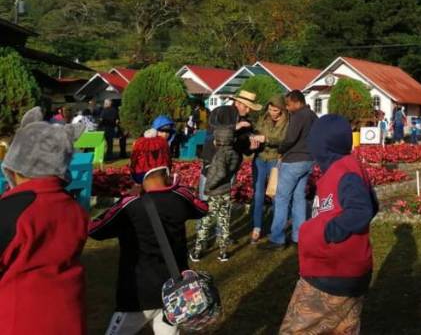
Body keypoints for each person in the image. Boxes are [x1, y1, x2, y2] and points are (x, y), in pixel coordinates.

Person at [90, 134, 208, 334]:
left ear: (136, 170)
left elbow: (95, 229)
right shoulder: (181, 197)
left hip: (138, 293)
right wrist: (176, 186)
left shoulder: (130, 206)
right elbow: (202, 208)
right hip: (175, 291)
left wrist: (126, 198)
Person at [279, 115, 378, 334]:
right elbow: (372, 204)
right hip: (350, 270)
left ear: (323, 146)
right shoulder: (344, 168)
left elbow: (362, 210)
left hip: (332, 270)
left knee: (296, 330)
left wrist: (325, 232)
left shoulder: (345, 173)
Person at [0, 107, 88, 335]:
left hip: (18, 321)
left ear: (15, 166)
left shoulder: (13, 209)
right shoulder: (75, 209)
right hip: (69, 317)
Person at [192, 90, 260, 262]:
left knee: (224, 206)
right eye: (247, 107)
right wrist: (235, 127)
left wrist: (251, 147)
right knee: (205, 202)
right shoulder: (222, 112)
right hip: (212, 164)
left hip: (230, 167)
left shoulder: (246, 123)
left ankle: (221, 237)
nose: (248, 111)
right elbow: (214, 131)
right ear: (238, 103)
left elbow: (243, 148)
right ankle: (202, 238)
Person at [265, 90, 318, 250]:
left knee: (281, 199)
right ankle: (298, 237)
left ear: (296, 102)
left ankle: (277, 238)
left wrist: (280, 149)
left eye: (288, 105)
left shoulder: (298, 116)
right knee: (299, 198)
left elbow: (290, 138)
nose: (287, 108)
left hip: (293, 161)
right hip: (308, 160)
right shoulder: (313, 115)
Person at [249, 93, 289, 244]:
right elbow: (256, 132)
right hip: (259, 158)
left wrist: (266, 139)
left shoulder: (287, 122)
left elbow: (283, 140)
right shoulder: (263, 118)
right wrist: (254, 138)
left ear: (282, 110)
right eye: (270, 109)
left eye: (275, 110)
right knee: (258, 195)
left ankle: (276, 229)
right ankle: (256, 228)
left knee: (274, 195)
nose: (272, 112)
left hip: (275, 160)